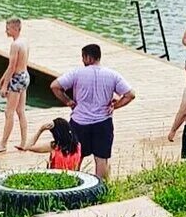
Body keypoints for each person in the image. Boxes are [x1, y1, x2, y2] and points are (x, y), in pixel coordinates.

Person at [50, 44, 136, 180]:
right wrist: (116, 106)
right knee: (101, 159)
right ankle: (100, 189)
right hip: (103, 122)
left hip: (79, 122)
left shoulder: (77, 73)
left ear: (88, 57)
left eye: (83, 57)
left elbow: (55, 86)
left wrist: (68, 101)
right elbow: (130, 94)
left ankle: (72, 184)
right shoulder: (112, 75)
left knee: (76, 156)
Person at [0, 17, 30, 153]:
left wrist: (5, 86)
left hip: (17, 78)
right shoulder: (24, 42)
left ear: (15, 29)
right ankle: (24, 142)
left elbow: (12, 66)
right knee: (21, 111)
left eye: (8, 29)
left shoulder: (15, 45)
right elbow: (18, 64)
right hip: (25, 75)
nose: (6, 31)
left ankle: (3, 144)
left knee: (9, 112)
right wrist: (3, 78)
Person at [18, 117, 83, 171]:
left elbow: (28, 147)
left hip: (56, 178)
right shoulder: (78, 146)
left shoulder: (54, 147)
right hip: (72, 177)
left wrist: (40, 130)